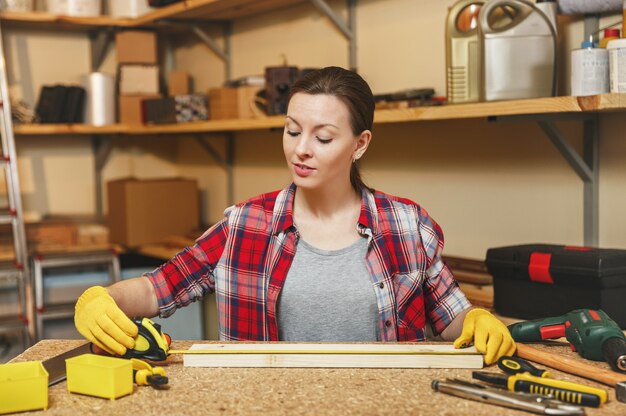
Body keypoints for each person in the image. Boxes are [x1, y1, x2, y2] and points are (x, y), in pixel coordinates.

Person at [75, 66, 515, 364]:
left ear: (360, 144)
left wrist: (478, 319)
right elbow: (158, 289)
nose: (300, 149)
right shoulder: (245, 225)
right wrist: (103, 298)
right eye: (291, 130)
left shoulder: (406, 225)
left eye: (322, 138)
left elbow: (449, 316)